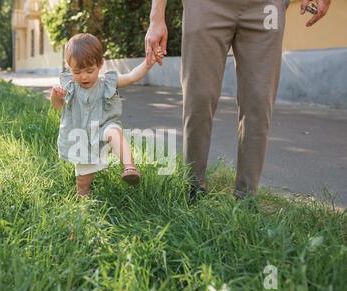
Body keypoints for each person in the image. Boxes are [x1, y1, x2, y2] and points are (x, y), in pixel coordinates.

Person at [145, 0, 331, 200]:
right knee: (198, 97)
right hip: (205, 5)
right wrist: (156, 17)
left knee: (259, 102)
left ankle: (246, 197)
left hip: (266, 6)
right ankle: (193, 188)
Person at [50, 33, 162, 197]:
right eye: (77, 71)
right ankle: (83, 199)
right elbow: (58, 107)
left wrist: (148, 63)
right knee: (83, 180)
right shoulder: (70, 87)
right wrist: (55, 96)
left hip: (105, 126)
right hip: (83, 138)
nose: (84, 76)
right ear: (69, 67)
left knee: (114, 132)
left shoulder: (107, 83)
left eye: (90, 70)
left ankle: (129, 168)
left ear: (100, 64)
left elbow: (131, 77)